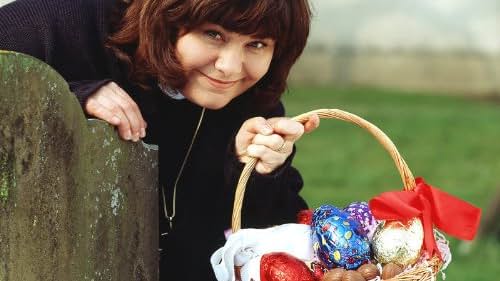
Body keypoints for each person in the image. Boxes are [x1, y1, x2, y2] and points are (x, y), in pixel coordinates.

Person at [0, 0, 319, 279]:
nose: (229, 67)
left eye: (258, 44)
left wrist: (256, 173)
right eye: (213, 34)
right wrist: (62, 95)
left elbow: (272, 250)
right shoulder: (58, 22)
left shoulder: (251, 102)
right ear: (168, 14)